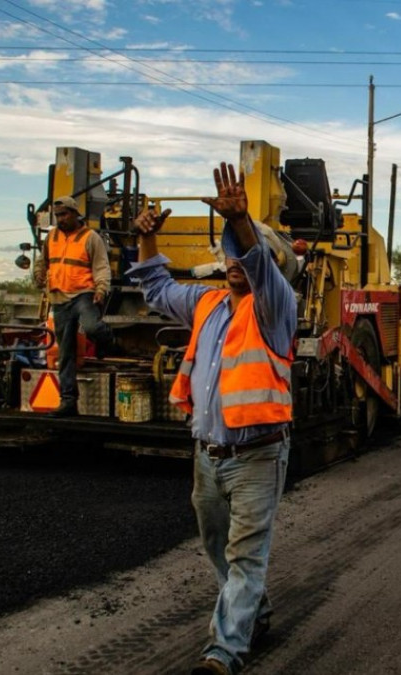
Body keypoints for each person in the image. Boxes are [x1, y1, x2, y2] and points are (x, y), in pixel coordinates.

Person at [130, 163, 296, 675]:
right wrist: (148, 239)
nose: (235, 260)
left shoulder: (275, 306)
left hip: (256, 457)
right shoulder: (207, 304)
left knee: (246, 557)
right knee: (216, 548)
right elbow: (156, 288)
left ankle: (223, 653)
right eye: (229, 252)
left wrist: (245, 221)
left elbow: (259, 263)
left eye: (245, 254)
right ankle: (253, 611)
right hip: (207, 455)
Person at [33, 196, 113, 418]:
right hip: (59, 298)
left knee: (92, 327)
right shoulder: (52, 238)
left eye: (64, 214)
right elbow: (43, 261)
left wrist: (101, 289)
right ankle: (68, 401)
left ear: (75, 214)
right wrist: (39, 274)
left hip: (83, 295)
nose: (60, 219)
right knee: (66, 352)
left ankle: (107, 340)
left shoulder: (90, 238)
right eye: (57, 216)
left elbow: (102, 267)